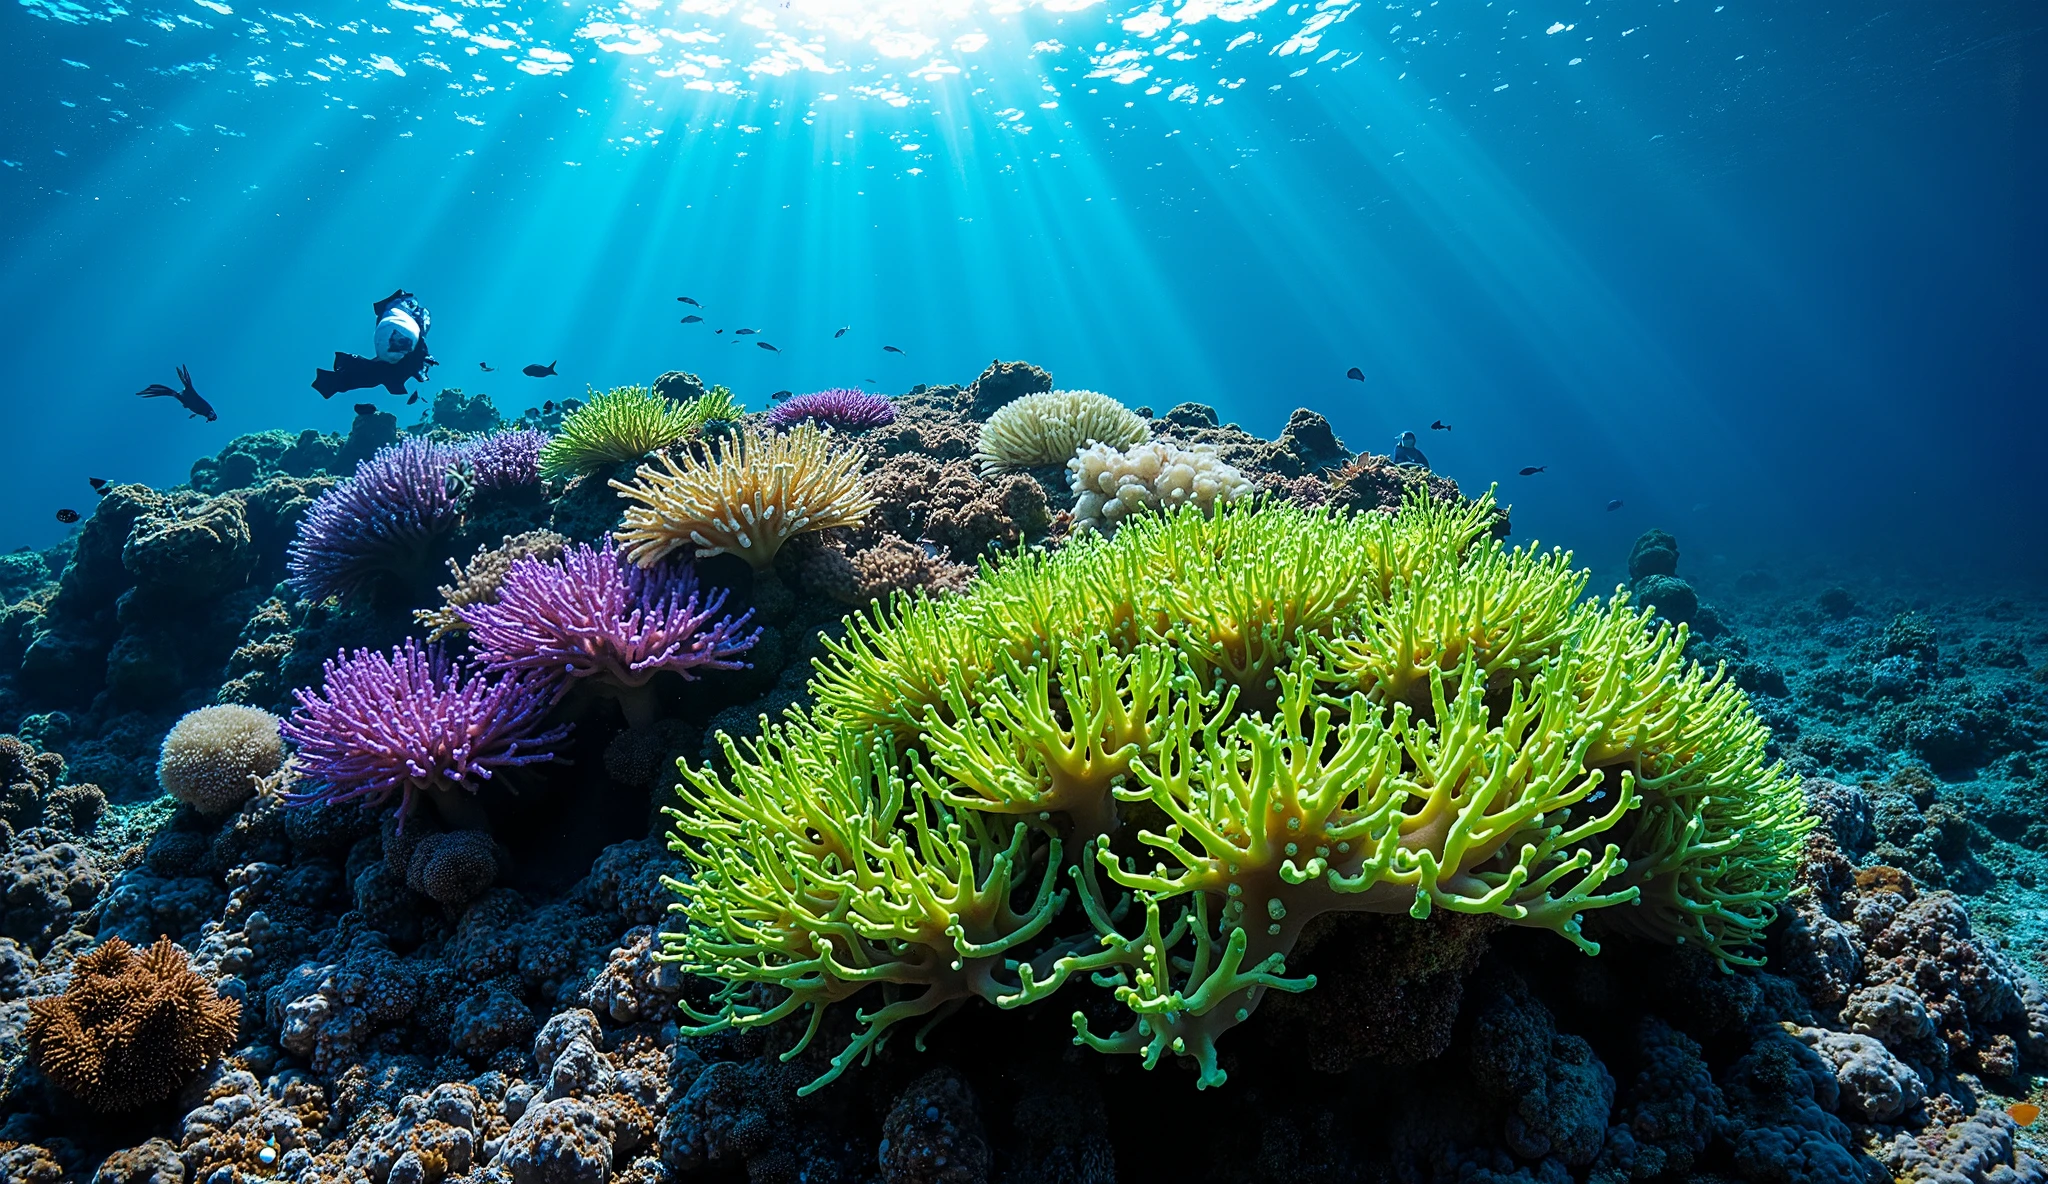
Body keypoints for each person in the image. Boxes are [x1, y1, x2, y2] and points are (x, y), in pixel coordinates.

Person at [312, 291, 436, 398]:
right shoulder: (412, 322)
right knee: (384, 373)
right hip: (402, 338)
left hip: (395, 335)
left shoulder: (395, 312)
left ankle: (332, 382)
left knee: (380, 373)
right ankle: (333, 382)